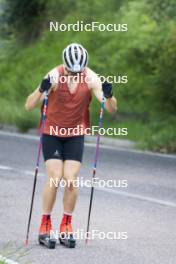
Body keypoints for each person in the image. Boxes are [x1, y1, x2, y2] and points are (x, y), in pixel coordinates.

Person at [25, 43, 117, 245]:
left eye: (78, 72)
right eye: (70, 72)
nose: (74, 76)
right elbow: (29, 105)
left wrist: (109, 96)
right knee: (55, 177)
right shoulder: (55, 76)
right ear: (64, 66)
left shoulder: (91, 78)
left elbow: (110, 109)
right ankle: (45, 223)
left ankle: (66, 224)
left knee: (71, 179)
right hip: (52, 132)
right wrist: (41, 89)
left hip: (75, 133)